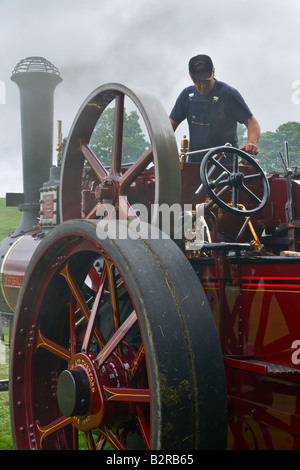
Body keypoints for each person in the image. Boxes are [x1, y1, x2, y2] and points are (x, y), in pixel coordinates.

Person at [169, 54, 260, 162]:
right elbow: (168, 127)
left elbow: (252, 123)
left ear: (213, 72)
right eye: (198, 81)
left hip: (226, 167)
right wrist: (157, 150)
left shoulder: (229, 95)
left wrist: (251, 143)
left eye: (206, 80)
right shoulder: (187, 96)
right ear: (190, 76)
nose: (202, 85)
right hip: (195, 165)